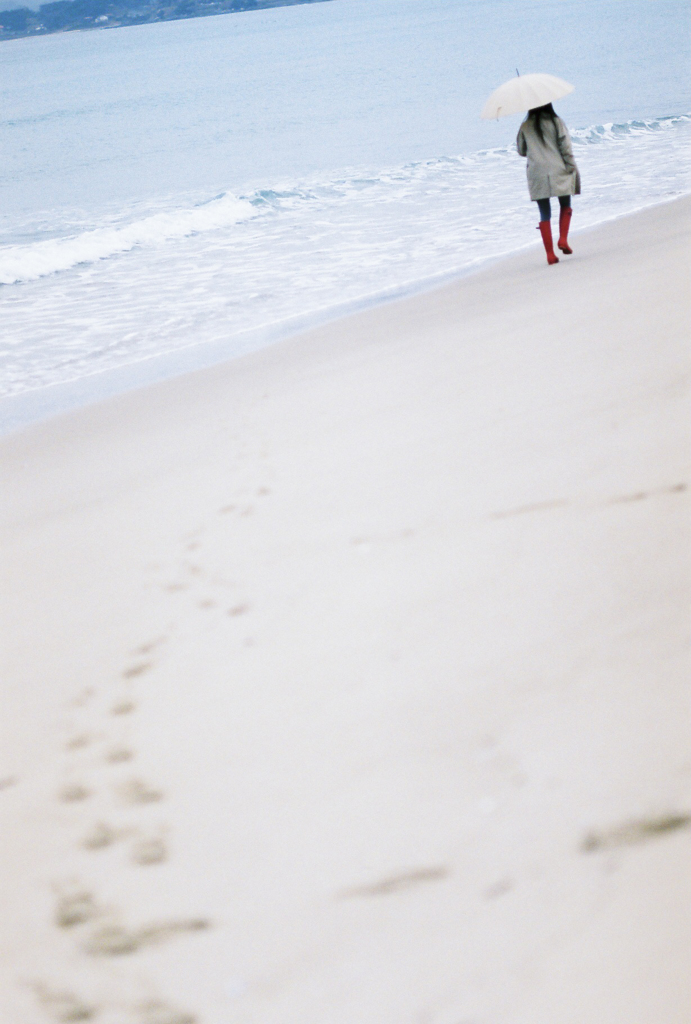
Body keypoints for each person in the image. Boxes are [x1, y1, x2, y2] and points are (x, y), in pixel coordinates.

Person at [516, 103, 581, 265]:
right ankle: (563, 239)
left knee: (544, 212)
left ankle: (550, 254)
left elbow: (521, 150)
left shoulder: (525, 126)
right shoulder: (555, 121)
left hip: (537, 173)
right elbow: (565, 146)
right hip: (558, 168)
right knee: (565, 202)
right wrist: (571, 166)